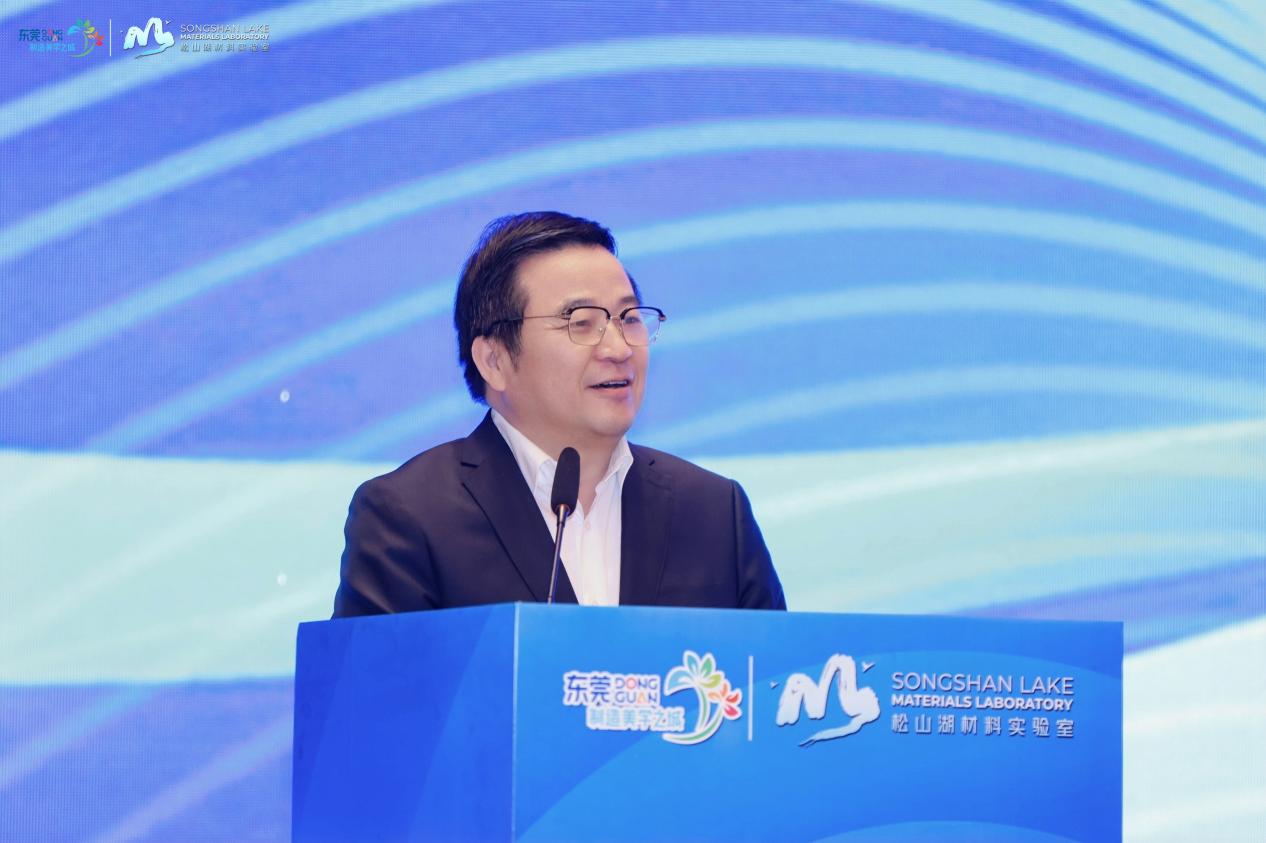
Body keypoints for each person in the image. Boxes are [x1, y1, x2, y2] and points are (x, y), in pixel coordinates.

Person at [332, 211, 785, 616]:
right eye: (581, 323)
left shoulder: (713, 512)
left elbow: (779, 678)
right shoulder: (410, 516)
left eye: (629, 318)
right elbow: (375, 685)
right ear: (494, 360)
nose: (618, 348)